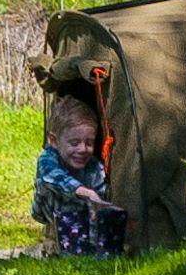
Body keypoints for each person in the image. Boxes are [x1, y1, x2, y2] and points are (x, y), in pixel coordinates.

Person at [34, 98, 122, 257]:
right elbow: (53, 177)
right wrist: (86, 192)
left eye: (89, 143)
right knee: (51, 186)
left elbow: (100, 191)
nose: (82, 149)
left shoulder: (93, 167)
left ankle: (86, 246)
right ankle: (55, 242)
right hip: (51, 211)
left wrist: (102, 207)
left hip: (80, 215)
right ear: (54, 141)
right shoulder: (48, 158)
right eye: (74, 143)